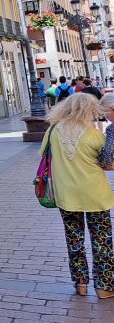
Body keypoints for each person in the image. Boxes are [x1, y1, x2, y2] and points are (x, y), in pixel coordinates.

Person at [44, 93, 114, 299]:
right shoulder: (95, 135)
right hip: (95, 195)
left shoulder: (52, 131)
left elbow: (46, 156)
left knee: (74, 240)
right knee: (102, 241)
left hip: (66, 195)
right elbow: (107, 163)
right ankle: (104, 287)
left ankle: (80, 283)